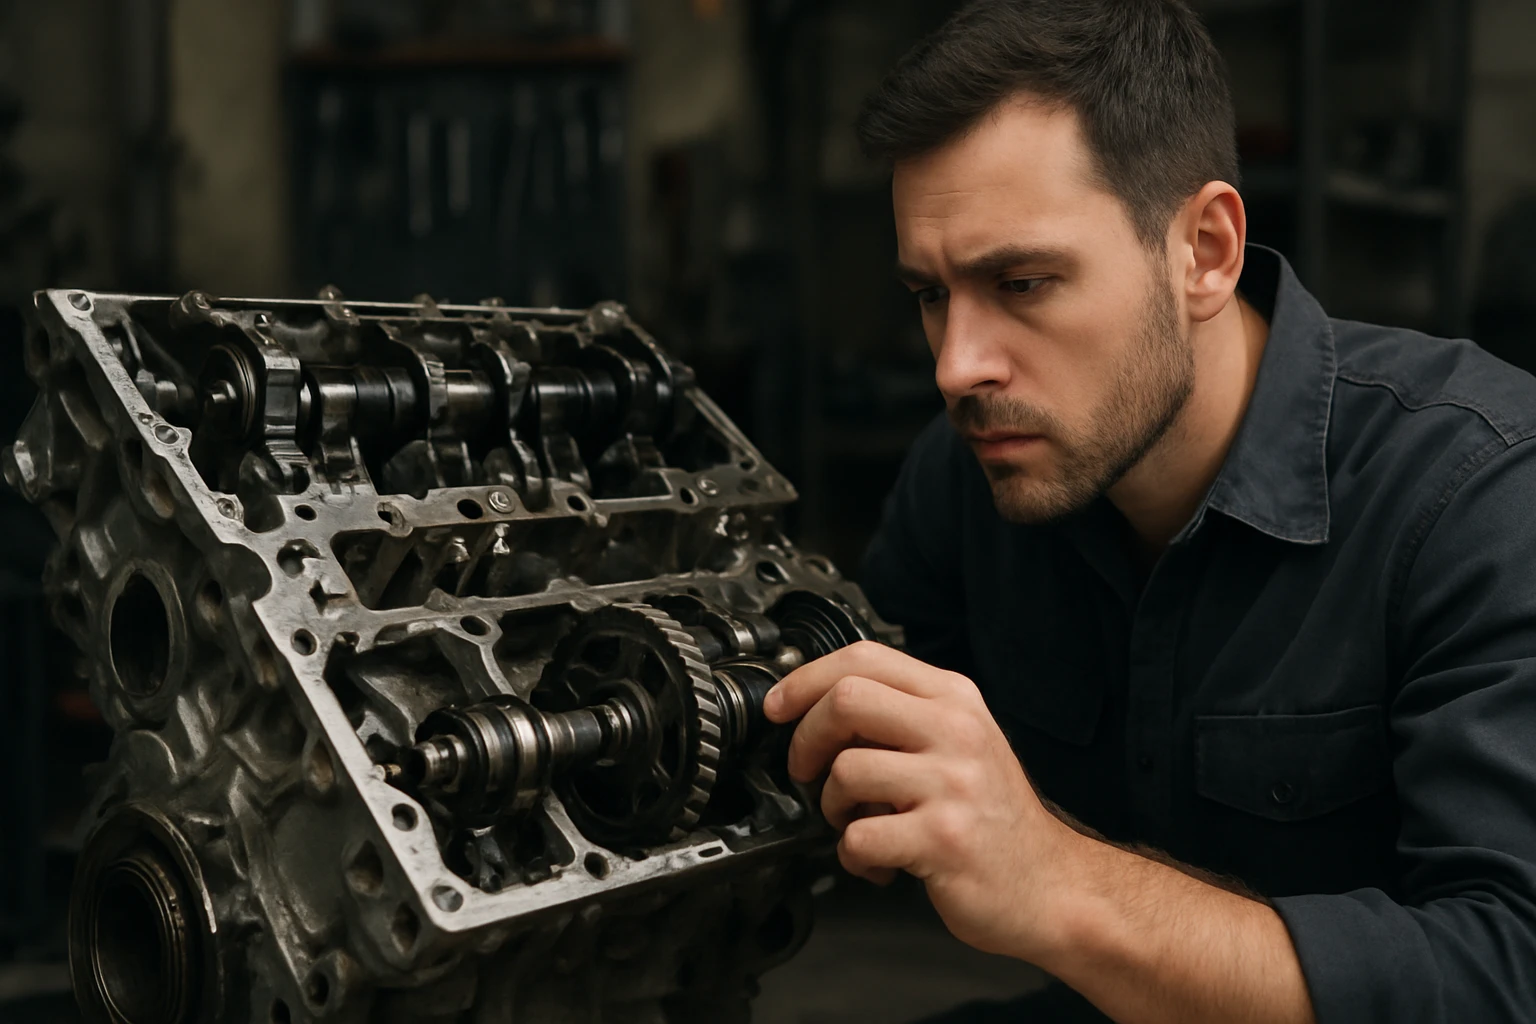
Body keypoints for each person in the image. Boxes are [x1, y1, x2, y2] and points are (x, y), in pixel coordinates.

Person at [759, 1, 1536, 1022]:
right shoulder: (967, 482)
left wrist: (1056, 881)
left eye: (1023, 281)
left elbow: (1505, 971)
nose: (957, 366)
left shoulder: (1478, 492)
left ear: (1205, 251)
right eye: (933, 294)